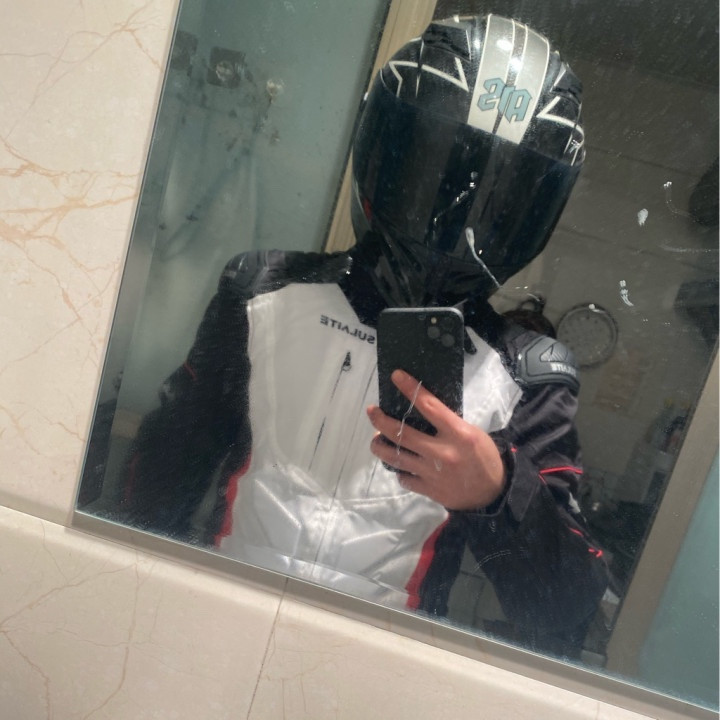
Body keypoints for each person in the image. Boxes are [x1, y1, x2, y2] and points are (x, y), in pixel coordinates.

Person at [119, 14, 608, 656]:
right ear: (386, 156)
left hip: (370, 676)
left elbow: (564, 608)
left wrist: (498, 493)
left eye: (498, 201)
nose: (457, 224)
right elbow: (162, 472)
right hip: (209, 630)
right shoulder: (262, 294)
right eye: (438, 173)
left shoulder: (529, 378)